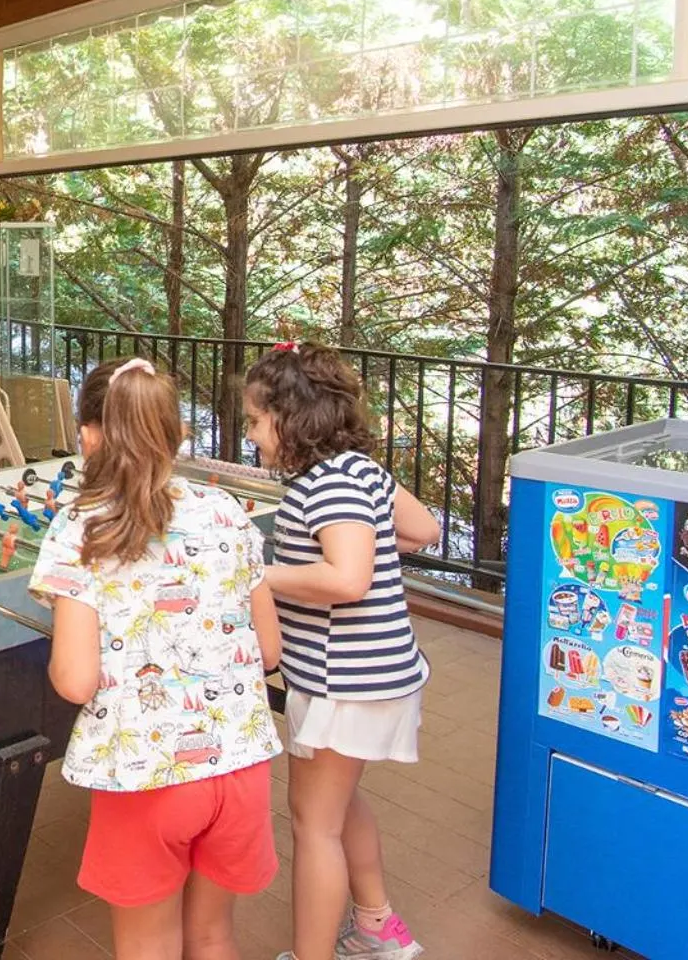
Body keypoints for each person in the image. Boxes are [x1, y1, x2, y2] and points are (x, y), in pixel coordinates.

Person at [31, 357, 282, 960]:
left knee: (149, 945)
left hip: (145, 775)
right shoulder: (229, 514)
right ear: (178, 435)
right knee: (214, 936)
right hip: (240, 767)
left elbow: (74, 679)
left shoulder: (81, 530)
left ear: (90, 436)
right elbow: (269, 651)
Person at [245, 343, 438, 960]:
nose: (252, 436)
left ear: (289, 418)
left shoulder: (321, 485)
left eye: (255, 421)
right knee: (339, 800)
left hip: (341, 681)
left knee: (313, 823)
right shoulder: (360, 469)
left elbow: (348, 579)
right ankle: (378, 926)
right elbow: (422, 530)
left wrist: (258, 574)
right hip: (379, 674)